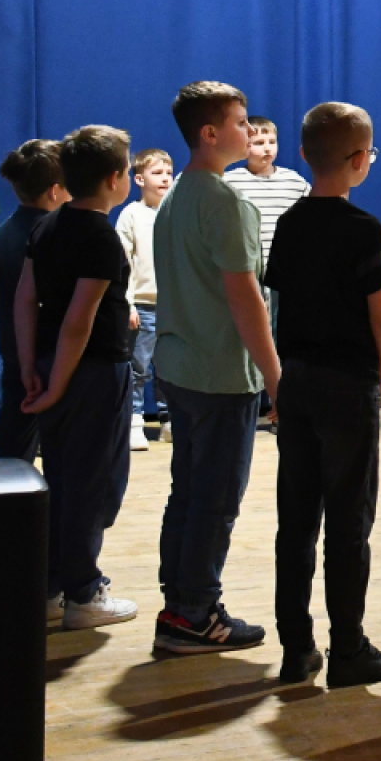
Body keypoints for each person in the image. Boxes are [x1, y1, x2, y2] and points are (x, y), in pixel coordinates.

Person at [264, 102, 381, 689]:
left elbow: (278, 307)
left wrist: (280, 379)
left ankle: (296, 647)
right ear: (358, 161)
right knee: (348, 521)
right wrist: (380, 382)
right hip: (347, 385)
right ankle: (348, 648)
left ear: (303, 154)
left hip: (296, 379)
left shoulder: (289, 223)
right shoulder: (362, 228)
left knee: (295, 521)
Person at [150, 81, 280, 654]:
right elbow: (245, 299)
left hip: (181, 367)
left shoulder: (177, 196)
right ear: (209, 133)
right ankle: (196, 613)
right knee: (216, 498)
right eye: (240, 122)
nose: (250, 131)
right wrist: (275, 377)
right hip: (220, 374)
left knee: (188, 491)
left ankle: (180, 603)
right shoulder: (227, 203)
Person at [16, 125, 140, 630]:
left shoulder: (47, 226)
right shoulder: (101, 237)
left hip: (52, 365)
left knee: (64, 478)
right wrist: (58, 386)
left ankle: (52, 587)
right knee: (93, 483)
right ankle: (83, 593)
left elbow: (25, 300)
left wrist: (32, 367)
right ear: (114, 179)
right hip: (91, 374)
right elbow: (77, 321)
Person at [0, 138, 67, 463]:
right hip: (42, 360)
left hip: (19, 354)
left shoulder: (8, 230)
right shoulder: (49, 235)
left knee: (15, 442)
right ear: (54, 191)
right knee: (25, 448)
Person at [117, 148, 174, 451]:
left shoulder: (177, 211)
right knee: (139, 367)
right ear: (139, 179)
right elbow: (122, 261)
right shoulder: (131, 215)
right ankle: (134, 420)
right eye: (157, 173)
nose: (165, 178)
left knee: (170, 367)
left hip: (173, 306)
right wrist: (127, 303)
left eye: (168, 173)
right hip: (143, 305)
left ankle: (169, 420)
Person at [222, 116, 310, 295]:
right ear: (245, 145)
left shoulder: (294, 182)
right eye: (259, 143)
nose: (267, 148)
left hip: (285, 268)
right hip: (246, 269)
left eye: (272, 142)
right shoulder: (230, 182)